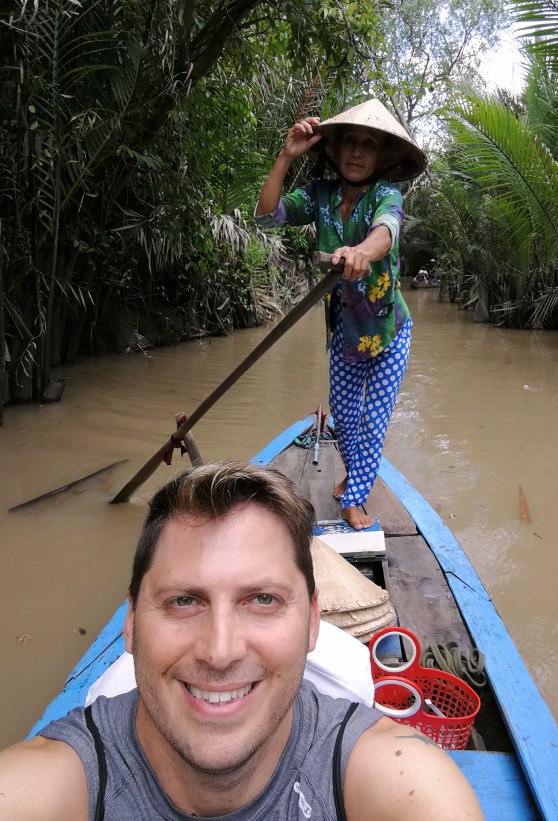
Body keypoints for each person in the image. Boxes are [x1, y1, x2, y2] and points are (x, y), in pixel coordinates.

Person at [0, 461, 484, 820]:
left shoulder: (396, 777)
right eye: (184, 601)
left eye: (263, 600)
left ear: (313, 622)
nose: (221, 650)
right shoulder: (60, 782)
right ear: (130, 623)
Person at [255, 98, 427, 531]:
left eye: (367, 145)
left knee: (371, 423)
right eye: (349, 142)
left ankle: (354, 499)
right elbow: (267, 217)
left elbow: (385, 232)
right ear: (336, 151)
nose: (356, 152)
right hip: (344, 335)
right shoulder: (321, 195)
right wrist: (285, 156)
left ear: (381, 157)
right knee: (345, 419)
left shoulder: (387, 194)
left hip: (389, 333)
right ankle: (355, 474)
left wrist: (361, 252)